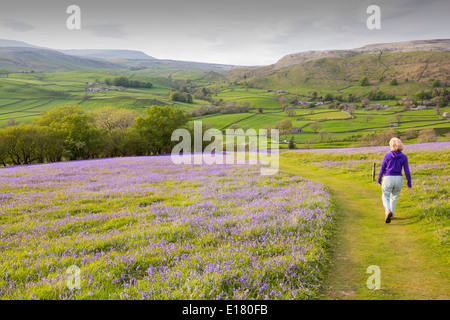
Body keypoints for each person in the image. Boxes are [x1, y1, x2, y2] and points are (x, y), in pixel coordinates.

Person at [377, 138, 412, 223]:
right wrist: (409, 182)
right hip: (398, 178)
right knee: (394, 197)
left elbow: (382, 169)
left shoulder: (387, 156)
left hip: (388, 178)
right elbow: (407, 170)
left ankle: (388, 210)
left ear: (391, 145)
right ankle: (391, 215)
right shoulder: (404, 157)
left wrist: (379, 179)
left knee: (385, 196)